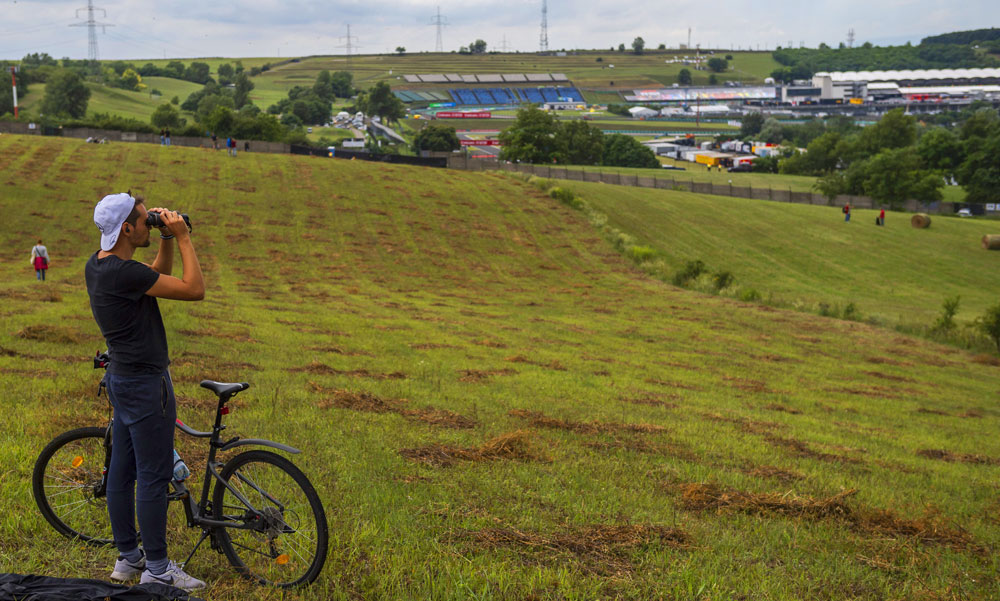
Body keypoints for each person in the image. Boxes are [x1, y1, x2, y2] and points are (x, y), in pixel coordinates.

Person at [85, 193, 206, 591]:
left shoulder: (101, 266)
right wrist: (184, 237)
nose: (147, 221)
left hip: (121, 379)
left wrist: (164, 239)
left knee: (122, 470)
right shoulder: (124, 273)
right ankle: (157, 568)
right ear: (126, 229)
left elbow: (152, 277)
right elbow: (193, 289)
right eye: (143, 219)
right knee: (153, 476)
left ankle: (127, 558)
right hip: (146, 384)